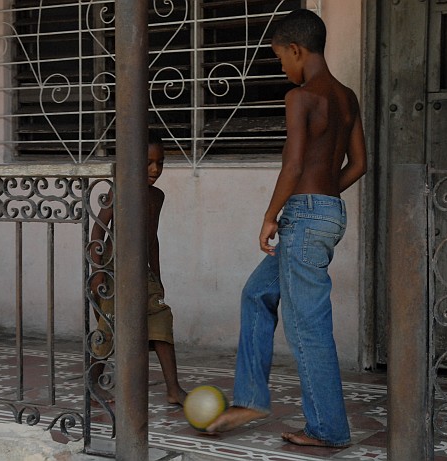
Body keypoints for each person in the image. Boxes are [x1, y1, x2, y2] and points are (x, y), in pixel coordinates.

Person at [206, 9, 367, 448]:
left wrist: (270, 215)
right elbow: (360, 164)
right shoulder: (347, 96)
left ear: (296, 49)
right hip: (329, 213)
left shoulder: (301, 97)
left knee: (306, 326)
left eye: (280, 59)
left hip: (303, 217)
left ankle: (329, 429)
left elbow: (294, 164)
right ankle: (253, 399)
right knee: (257, 294)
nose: (282, 68)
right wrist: (323, 196)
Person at [88, 131, 187, 406]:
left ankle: (173, 389)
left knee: (161, 320)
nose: (155, 169)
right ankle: (94, 382)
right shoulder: (120, 188)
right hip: (113, 268)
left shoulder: (157, 196)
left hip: (143, 272)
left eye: (161, 162)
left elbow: (152, 238)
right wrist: (98, 271)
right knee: (109, 327)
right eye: (148, 162)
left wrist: (158, 276)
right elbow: (99, 227)